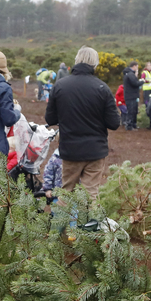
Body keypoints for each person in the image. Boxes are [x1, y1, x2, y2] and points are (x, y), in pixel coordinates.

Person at [44, 46, 120, 200]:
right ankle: (89, 217)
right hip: (95, 151)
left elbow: (50, 119)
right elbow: (114, 123)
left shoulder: (60, 86)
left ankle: (61, 217)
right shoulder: (102, 88)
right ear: (95, 64)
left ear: (76, 60)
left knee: (66, 193)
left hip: (70, 149)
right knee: (91, 196)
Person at [122, 61, 142, 130]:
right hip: (130, 96)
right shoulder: (130, 74)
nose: (137, 68)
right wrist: (142, 81)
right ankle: (129, 126)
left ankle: (133, 125)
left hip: (132, 95)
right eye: (137, 67)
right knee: (131, 111)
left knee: (134, 110)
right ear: (134, 66)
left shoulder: (129, 74)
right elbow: (135, 83)